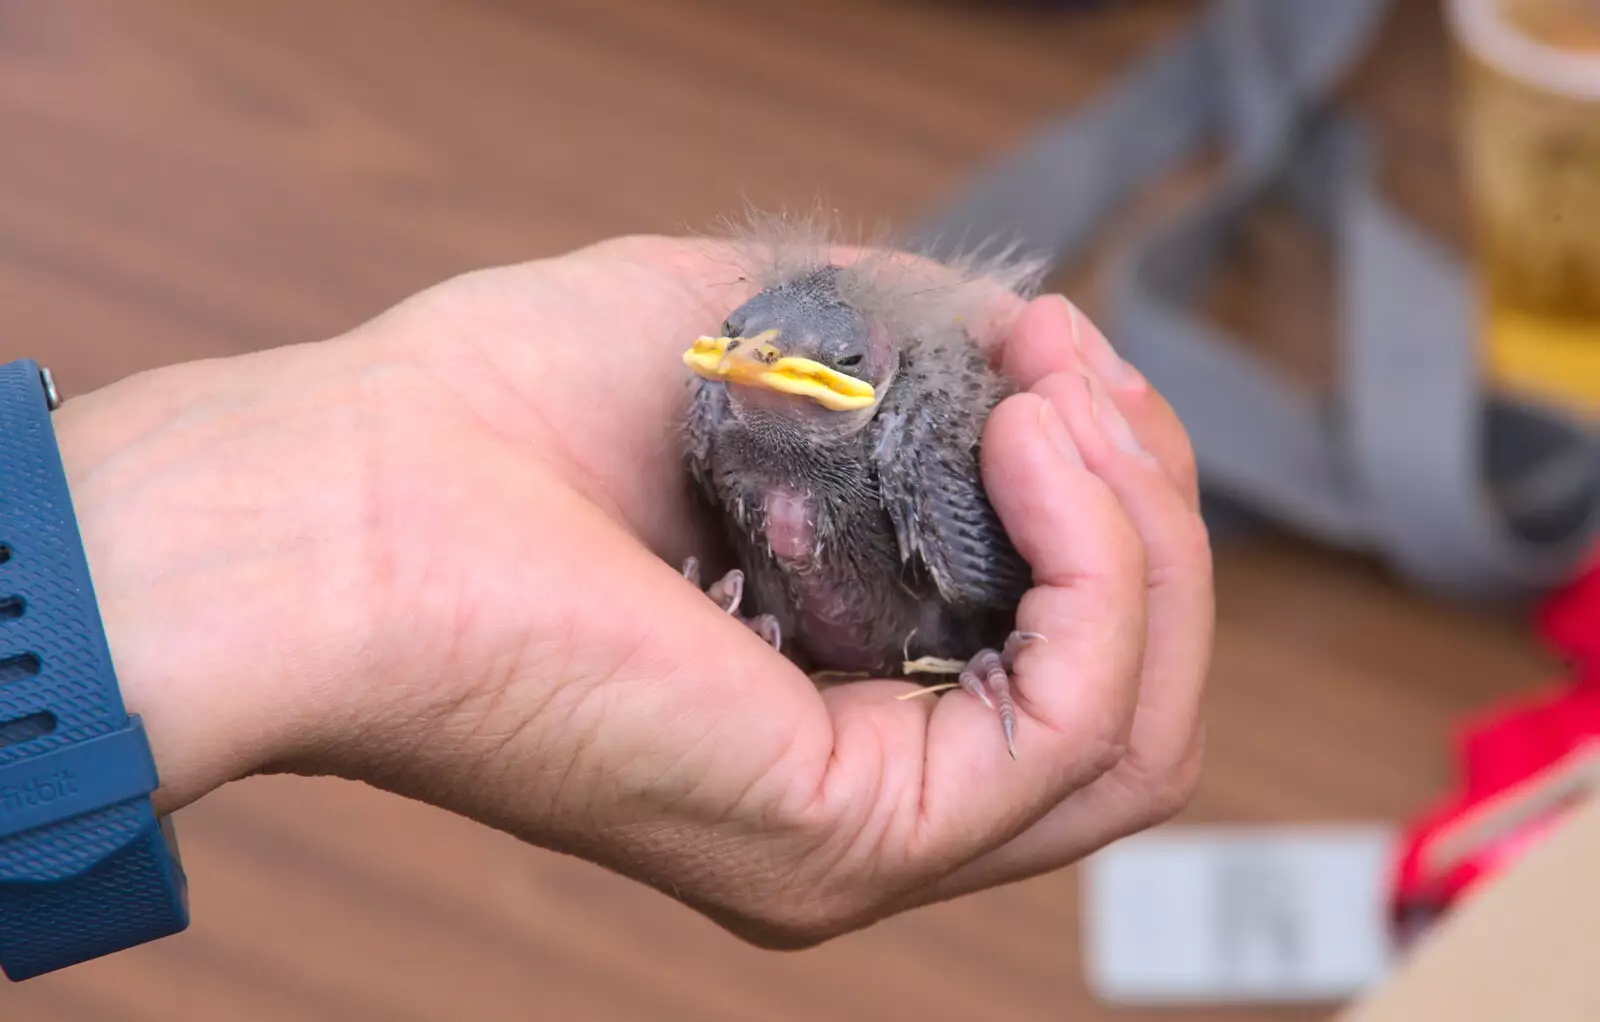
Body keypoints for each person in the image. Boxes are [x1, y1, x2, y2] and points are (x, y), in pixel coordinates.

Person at [54, 233, 1213, 948]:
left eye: (817, 374)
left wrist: (981, 647)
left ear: (876, 378)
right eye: (743, 355)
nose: (757, 381)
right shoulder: (719, 413)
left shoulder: (915, 449)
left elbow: (966, 560)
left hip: (915, 639)